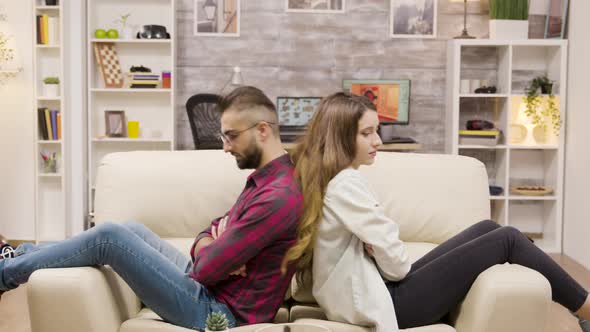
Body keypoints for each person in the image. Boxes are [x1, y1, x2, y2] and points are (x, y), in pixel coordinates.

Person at [0, 86, 303, 329]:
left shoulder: (277, 196)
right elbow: (211, 228)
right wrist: (212, 243)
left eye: (231, 136)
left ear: (262, 130)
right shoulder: (264, 181)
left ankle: (5, 273)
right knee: (130, 229)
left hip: (219, 311)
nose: (224, 147)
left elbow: (208, 267)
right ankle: (19, 254)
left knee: (110, 238)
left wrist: (214, 248)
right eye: (223, 136)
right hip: (211, 285)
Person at [290, 92, 590, 332]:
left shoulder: (334, 178)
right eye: (366, 133)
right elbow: (397, 267)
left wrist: (378, 246)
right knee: (508, 238)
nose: (378, 141)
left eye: (376, 131)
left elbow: (388, 256)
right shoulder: (346, 183)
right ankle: (586, 309)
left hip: (377, 292)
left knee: (487, 228)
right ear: (342, 137)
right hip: (388, 304)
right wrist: (382, 246)